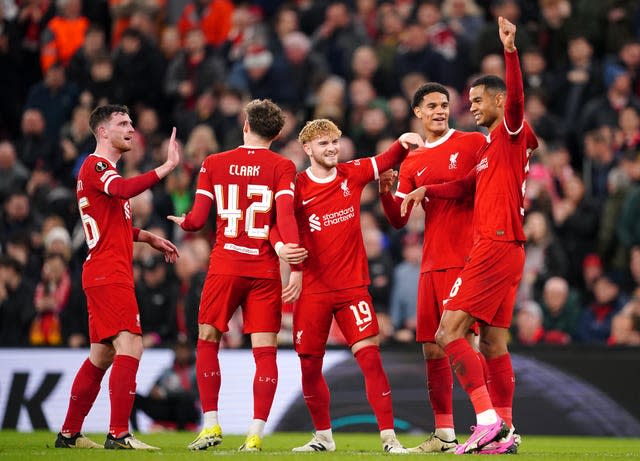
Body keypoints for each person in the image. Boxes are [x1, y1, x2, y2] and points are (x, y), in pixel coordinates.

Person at [401, 17, 538, 454]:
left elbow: (516, 97)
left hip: (494, 243)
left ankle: (486, 421)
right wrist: (428, 188)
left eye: (478, 100)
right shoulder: (488, 148)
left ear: (499, 101)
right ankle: (506, 431)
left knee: (447, 334)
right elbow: (465, 187)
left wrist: (510, 50)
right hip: (509, 247)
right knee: (495, 342)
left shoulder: (511, 132)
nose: (471, 107)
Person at [274, 118, 423, 453]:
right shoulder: (296, 187)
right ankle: (323, 437)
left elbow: (384, 161)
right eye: (324, 144)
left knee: (371, 360)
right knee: (309, 366)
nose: (331, 149)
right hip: (312, 290)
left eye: (335, 142)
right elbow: (274, 225)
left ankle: (389, 438)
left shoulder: (351, 174)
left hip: (352, 288)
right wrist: (282, 248)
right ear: (307, 149)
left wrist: (402, 142)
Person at [167, 99, 306, 452]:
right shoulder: (283, 166)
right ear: (276, 134)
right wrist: (296, 263)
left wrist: (184, 221)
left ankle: (211, 424)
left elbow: (197, 220)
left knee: (207, 339)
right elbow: (285, 219)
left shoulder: (213, 163)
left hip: (225, 266)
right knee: (265, 351)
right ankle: (255, 434)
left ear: (245, 125)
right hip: (263, 270)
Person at [55, 104, 180, 450]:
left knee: (101, 356)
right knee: (131, 345)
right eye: (122, 123)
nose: (131, 129)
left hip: (101, 271)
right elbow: (124, 191)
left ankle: (68, 434)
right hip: (110, 273)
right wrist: (167, 166)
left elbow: (113, 225)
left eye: (131, 122)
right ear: (102, 132)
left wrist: (148, 237)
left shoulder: (101, 174)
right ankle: (119, 433)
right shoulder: (98, 166)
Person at [377, 81, 486, 453]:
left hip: (466, 257)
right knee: (433, 351)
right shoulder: (413, 160)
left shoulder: (472, 143)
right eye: (432, 106)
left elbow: (477, 185)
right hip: (431, 261)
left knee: (461, 340)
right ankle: (444, 434)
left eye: (444, 105)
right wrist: (384, 192)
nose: (440, 111)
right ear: (418, 113)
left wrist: (432, 191)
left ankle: (489, 424)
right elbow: (399, 218)